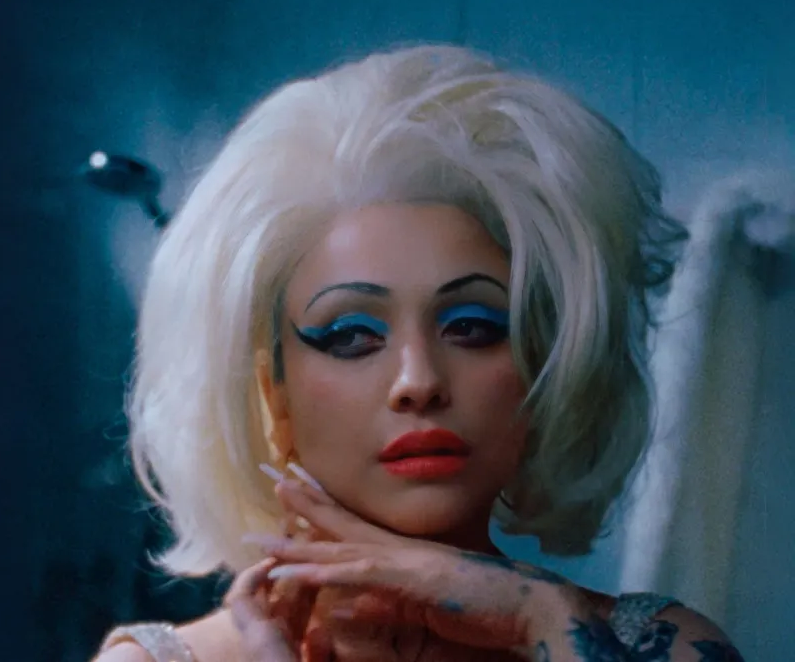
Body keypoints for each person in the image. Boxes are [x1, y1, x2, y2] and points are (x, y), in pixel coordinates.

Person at [93, 45, 742, 661]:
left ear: (545, 363)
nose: (419, 379)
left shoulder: (665, 647)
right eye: (350, 335)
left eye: (473, 326)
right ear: (273, 392)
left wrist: (545, 619)